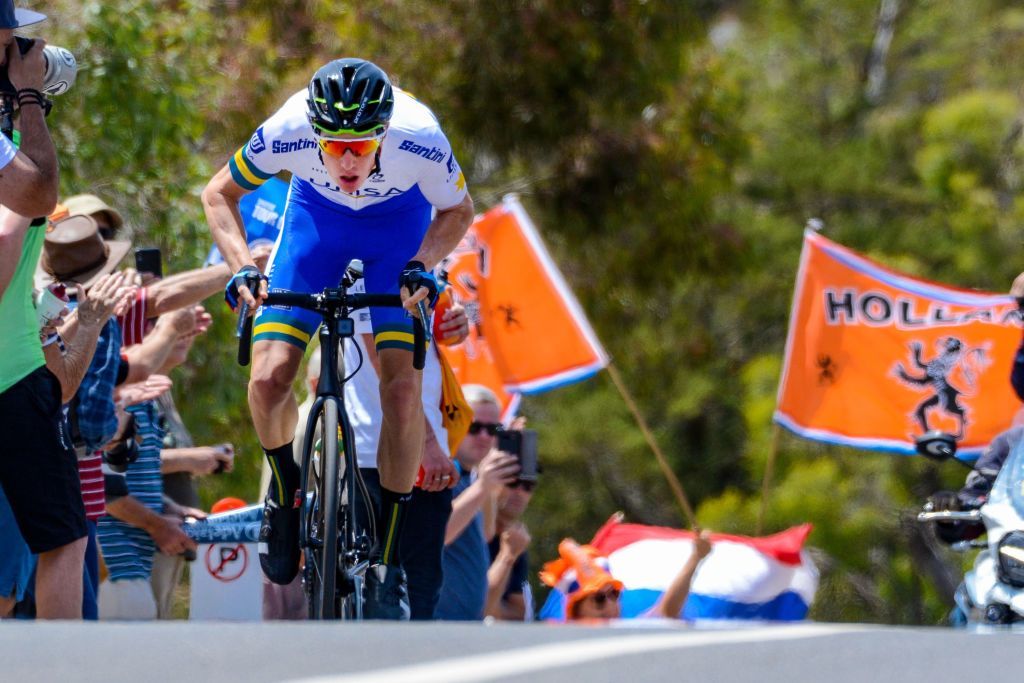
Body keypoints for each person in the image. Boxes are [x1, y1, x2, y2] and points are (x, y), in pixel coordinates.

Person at [203, 57, 473, 618]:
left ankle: (386, 559)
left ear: (385, 130)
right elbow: (217, 194)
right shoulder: (288, 130)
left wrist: (423, 261)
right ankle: (285, 487)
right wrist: (239, 267)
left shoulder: (420, 135)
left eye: (361, 145)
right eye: (334, 145)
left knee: (401, 391)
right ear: (314, 131)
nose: (348, 159)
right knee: (270, 377)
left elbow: (458, 209)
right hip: (314, 228)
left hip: (396, 234)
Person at [0, 2, 83, 620]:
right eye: (13, 36)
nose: (22, 46)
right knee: (62, 540)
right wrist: (30, 98)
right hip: (9, 374)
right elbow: (38, 191)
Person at [435, 386, 520, 620]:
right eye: (475, 428)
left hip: (465, 622)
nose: (485, 437)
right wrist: (483, 485)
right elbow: (438, 534)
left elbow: (485, 533)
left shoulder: (470, 477)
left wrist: (488, 484)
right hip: (438, 621)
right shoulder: (441, 470)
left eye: (493, 429)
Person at [540, 531, 713, 621]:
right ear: (576, 610)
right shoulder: (561, 649)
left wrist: (695, 558)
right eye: (599, 599)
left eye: (614, 594)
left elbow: (667, 611)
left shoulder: (627, 636)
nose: (610, 604)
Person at [485, 477, 537, 621]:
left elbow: (519, 613)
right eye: (512, 482)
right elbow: (481, 608)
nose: (520, 492)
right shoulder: (465, 531)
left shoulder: (514, 540)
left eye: (528, 486)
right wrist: (506, 556)